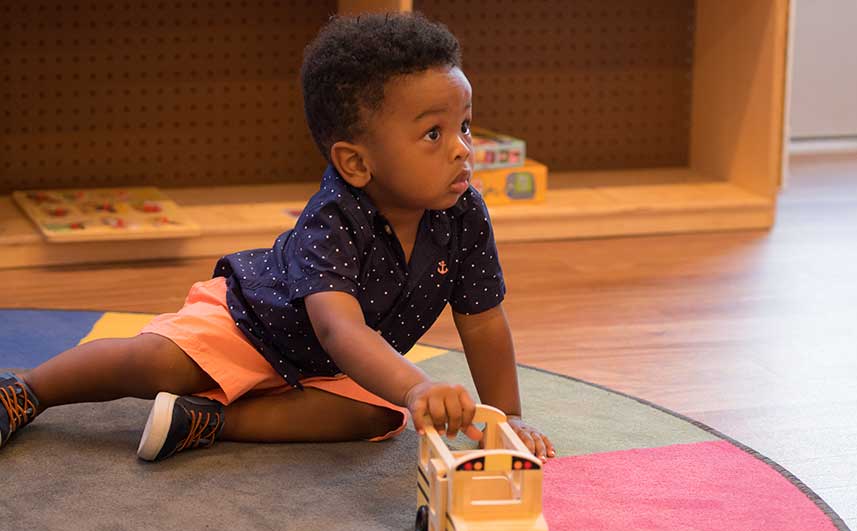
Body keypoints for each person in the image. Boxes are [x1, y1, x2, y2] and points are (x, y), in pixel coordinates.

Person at [0, 11, 556, 464]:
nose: (462, 148)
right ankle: (27, 390)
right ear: (356, 162)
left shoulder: (463, 213)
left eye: (464, 125)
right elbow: (339, 328)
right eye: (433, 134)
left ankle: (209, 420)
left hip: (331, 368)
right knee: (156, 364)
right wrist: (415, 384)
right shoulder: (334, 215)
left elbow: (482, 320)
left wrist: (504, 418)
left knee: (377, 416)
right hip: (249, 322)